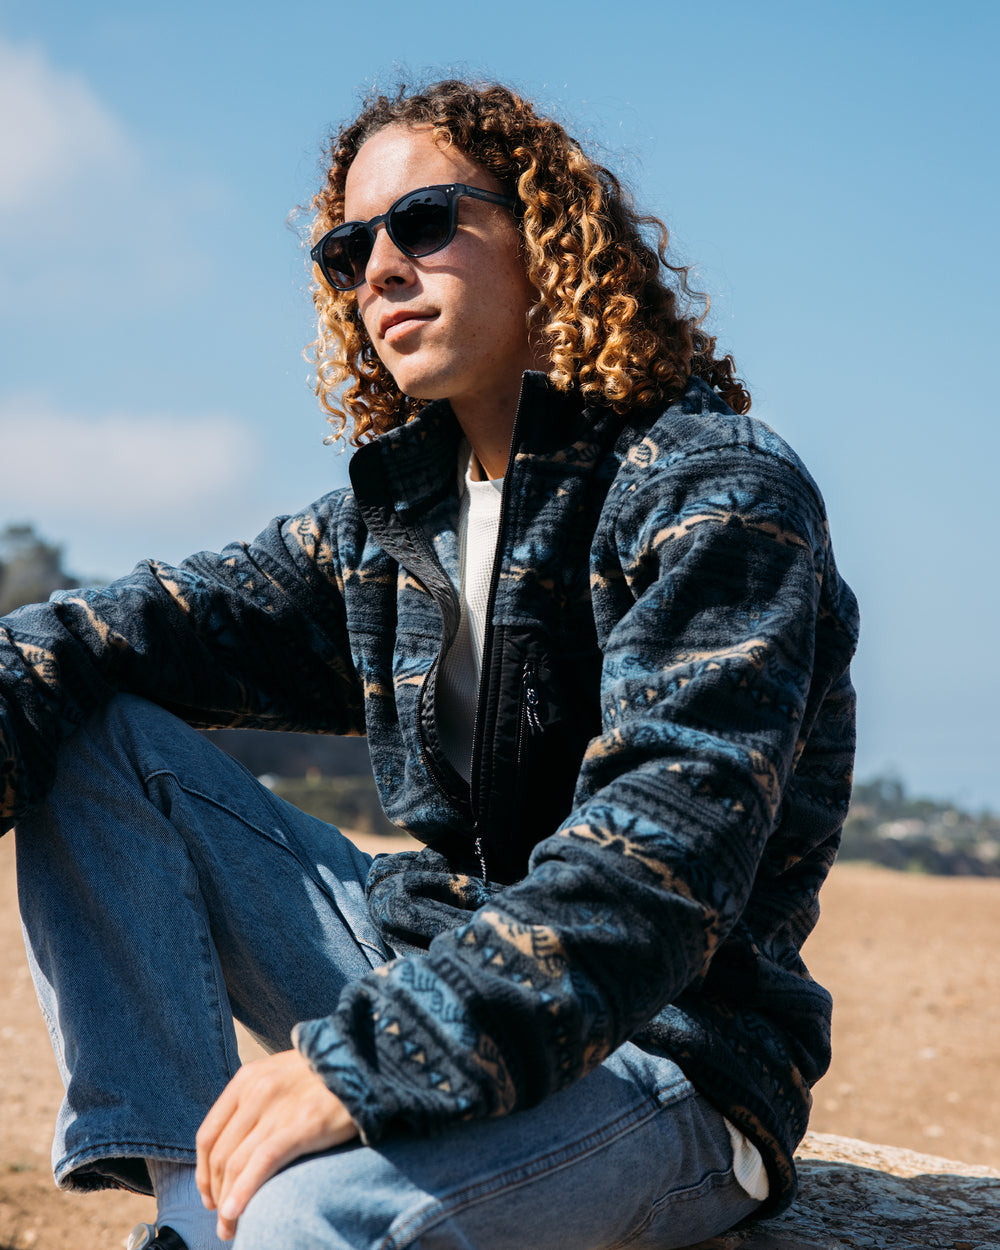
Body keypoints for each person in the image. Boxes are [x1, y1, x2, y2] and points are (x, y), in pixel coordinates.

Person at [2, 79, 859, 1250]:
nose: (379, 271)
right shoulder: (397, 522)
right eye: (347, 248)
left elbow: (657, 868)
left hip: (669, 1051)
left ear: (546, 234)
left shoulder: (714, 491)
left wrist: (366, 1058)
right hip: (440, 963)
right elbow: (120, 628)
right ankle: (191, 1217)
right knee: (93, 727)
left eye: (422, 222)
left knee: (309, 1214)